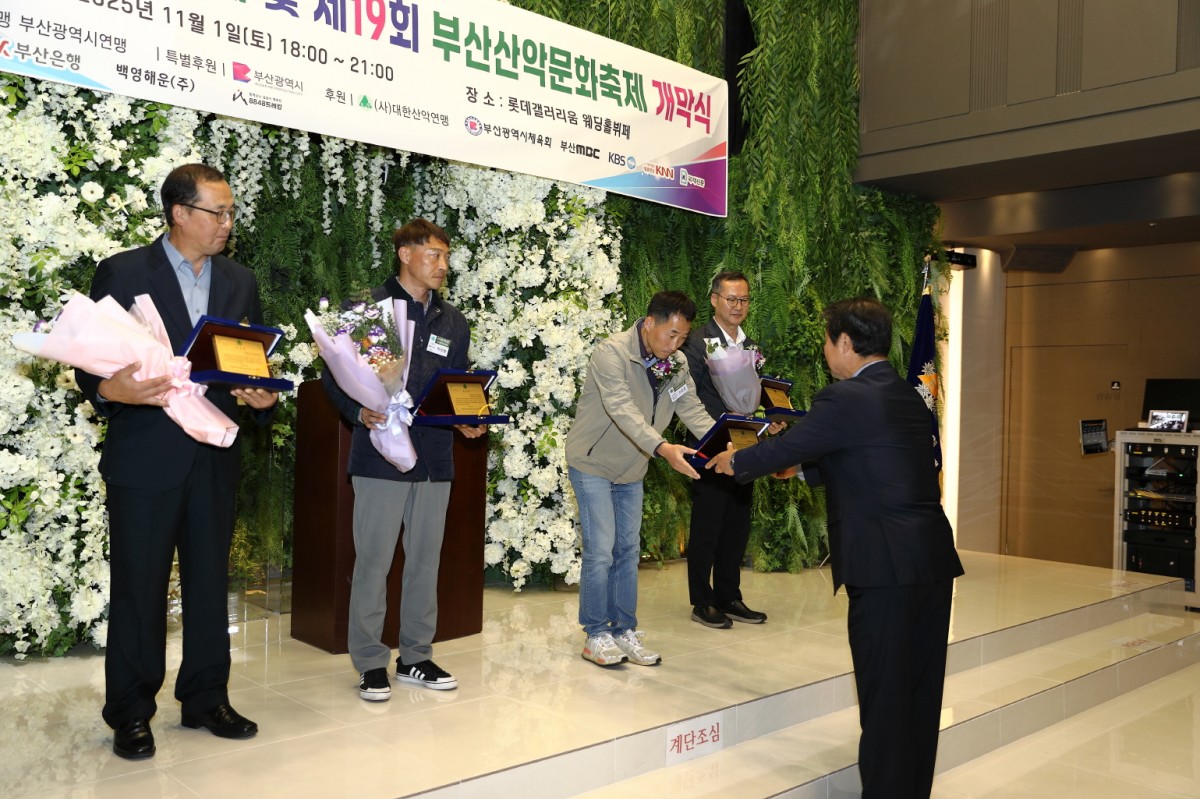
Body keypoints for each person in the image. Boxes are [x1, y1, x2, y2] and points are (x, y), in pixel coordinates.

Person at [707, 297, 964, 799]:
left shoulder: (844, 396)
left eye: (827, 342)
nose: (826, 352)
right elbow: (869, 455)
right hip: (931, 559)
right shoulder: (908, 393)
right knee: (919, 691)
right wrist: (801, 470)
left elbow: (786, 446)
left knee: (884, 696)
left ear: (846, 343)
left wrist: (734, 461)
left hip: (884, 567)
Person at [75, 164, 279, 760]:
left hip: (213, 453)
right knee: (139, 588)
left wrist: (261, 396)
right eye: (218, 212)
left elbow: (246, 362)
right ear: (179, 213)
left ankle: (206, 698)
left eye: (231, 212)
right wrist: (108, 390)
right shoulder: (123, 271)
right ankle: (130, 711)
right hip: (145, 456)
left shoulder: (239, 280)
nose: (227, 223)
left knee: (211, 583)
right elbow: (88, 360)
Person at [322, 218, 485, 702]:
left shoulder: (453, 321)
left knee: (425, 562)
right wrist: (358, 411)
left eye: (446, 256)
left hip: (434, 457)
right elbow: (334, 375)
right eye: (434, 254)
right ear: (405, 254)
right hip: (379, 454)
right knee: (374, 561)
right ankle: (370, 661)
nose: (443, 264)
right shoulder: (364, 308)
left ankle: (415, 655)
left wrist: (467, 418)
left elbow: (455, 385)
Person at [565, 291, 716, 667]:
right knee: (601, 550)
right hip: (593, 463)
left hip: (632, 467)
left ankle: (623, 629)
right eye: (671, 334)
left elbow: (692, 409)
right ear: (650, 322)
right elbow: (622, 410)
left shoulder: (677, 363)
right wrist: (663, 448)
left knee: (628, 550)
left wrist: (728, 445)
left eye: (683, 337)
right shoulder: (611, 353)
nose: (676, 344)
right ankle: (595, 634)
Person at [680, 270, 777, 628]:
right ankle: (701, 600)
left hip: (745, 447)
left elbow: (756, 394)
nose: (738, 306)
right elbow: (688, 397)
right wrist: (721, 433)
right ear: (714, 299)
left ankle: (729, 595)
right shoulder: (696, 343)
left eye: (744, 299)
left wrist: (770, 417)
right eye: (731, 299)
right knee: (707, 524)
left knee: (736, 523)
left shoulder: (751, 345)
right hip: (709, 445)